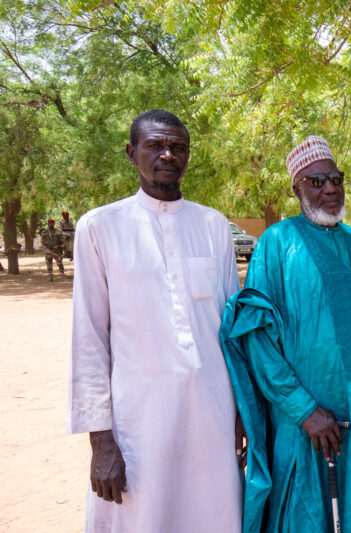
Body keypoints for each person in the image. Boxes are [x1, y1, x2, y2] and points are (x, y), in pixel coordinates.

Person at [219, 135, 351, 533]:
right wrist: (305, 410)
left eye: (335, 179)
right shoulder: (275, 244)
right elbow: (258, 338)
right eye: (316, 182)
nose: (329, 189)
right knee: (305, 512)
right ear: (296, 189)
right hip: (303, 421)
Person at [67, 109, 242, 532]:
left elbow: (233, 331)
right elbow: (89, 338)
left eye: (178, 147)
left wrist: (243, 413)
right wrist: (101, 439)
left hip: (212, 414)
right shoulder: (99, 227)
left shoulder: (214, 226)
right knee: (143, 516)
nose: (168, 154)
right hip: (138, 421)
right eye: (155, 145)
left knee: (213, 514)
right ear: (132, 154)